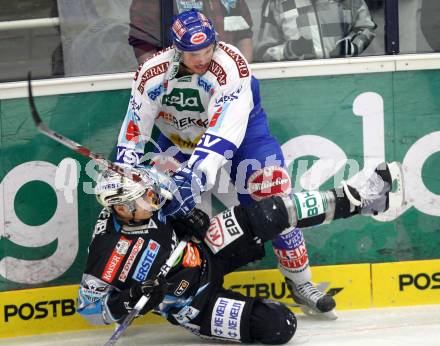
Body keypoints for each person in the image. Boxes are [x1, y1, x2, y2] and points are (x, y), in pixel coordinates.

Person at [116, 8, 339, 319]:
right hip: (179, 141)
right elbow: (134, 129)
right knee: (177, 211)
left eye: (208, 49)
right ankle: (195, 291)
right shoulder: (152, 73)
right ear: (177, 49)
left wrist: (195, 173)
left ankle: (301, 282)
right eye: (194, 53)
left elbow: (224, 130)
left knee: (271, 190)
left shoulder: (232, 64)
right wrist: (127, 170)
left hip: (244, 134)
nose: (202, 58)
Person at [77, 160, 402, 343]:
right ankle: (255, 307)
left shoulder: (148, 197)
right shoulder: (107, 250)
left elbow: (177, 178)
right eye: (146, 197)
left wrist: (185, 212)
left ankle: (359, 197)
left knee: (270, 212)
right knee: (278, 327)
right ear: (123, 208)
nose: (155, 198)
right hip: (194, 304)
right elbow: (89, 309)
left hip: (207, 249)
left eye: (151, 192)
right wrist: (129, 298)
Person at [129, 0, 254, 63]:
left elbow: (244, 36)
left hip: (226, 82)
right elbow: (144, 47)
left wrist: (240, 72)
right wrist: (165, 85)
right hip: (179, 89)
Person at [255, 0, 377, 62]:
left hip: (344, 76)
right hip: (297, 82)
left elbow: (366, 27)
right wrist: (289, 50)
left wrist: (352, 46)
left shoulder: (347, 1)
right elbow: (263, 51)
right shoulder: (277, 3)